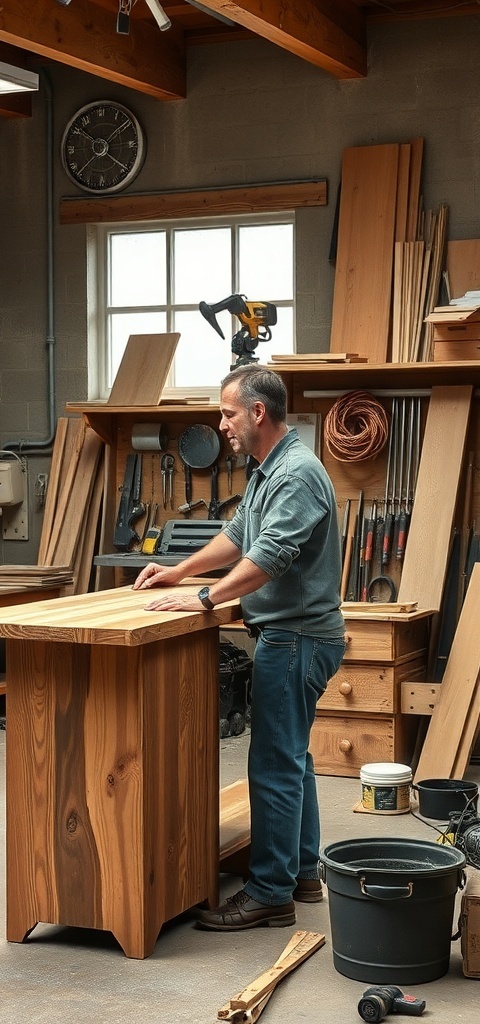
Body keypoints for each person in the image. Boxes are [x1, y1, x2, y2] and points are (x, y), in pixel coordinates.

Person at [132, 364, 345, 931]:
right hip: (292, 635)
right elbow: (238, 537)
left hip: (297, 638)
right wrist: (179, 573)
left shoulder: (296, 474)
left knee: (274, 767)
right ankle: (301, 874)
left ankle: (269, 892)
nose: (221, 424)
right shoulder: (267, 470)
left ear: (257, 413)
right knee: (292, 760)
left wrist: (203, 601)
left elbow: (270, 555)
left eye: (227, 413)